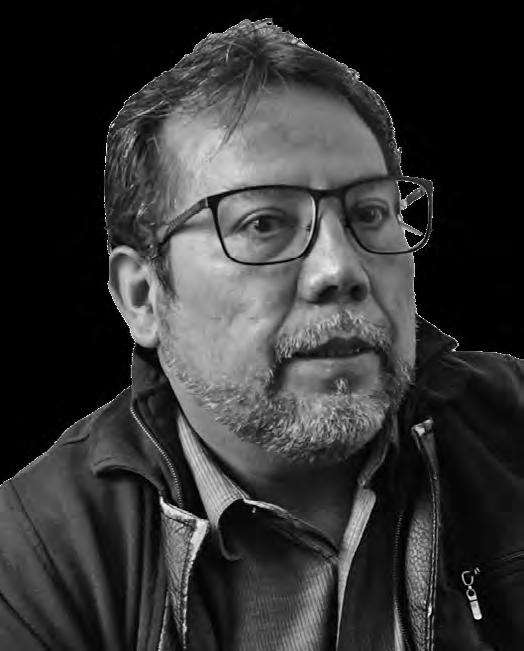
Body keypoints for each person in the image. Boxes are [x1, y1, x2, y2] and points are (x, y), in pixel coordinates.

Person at [1, 19, 522, 651]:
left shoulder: (511, 431)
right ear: (143, 295)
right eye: (263, 223)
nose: (341, 270)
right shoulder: (38, 557)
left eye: (369, 213)